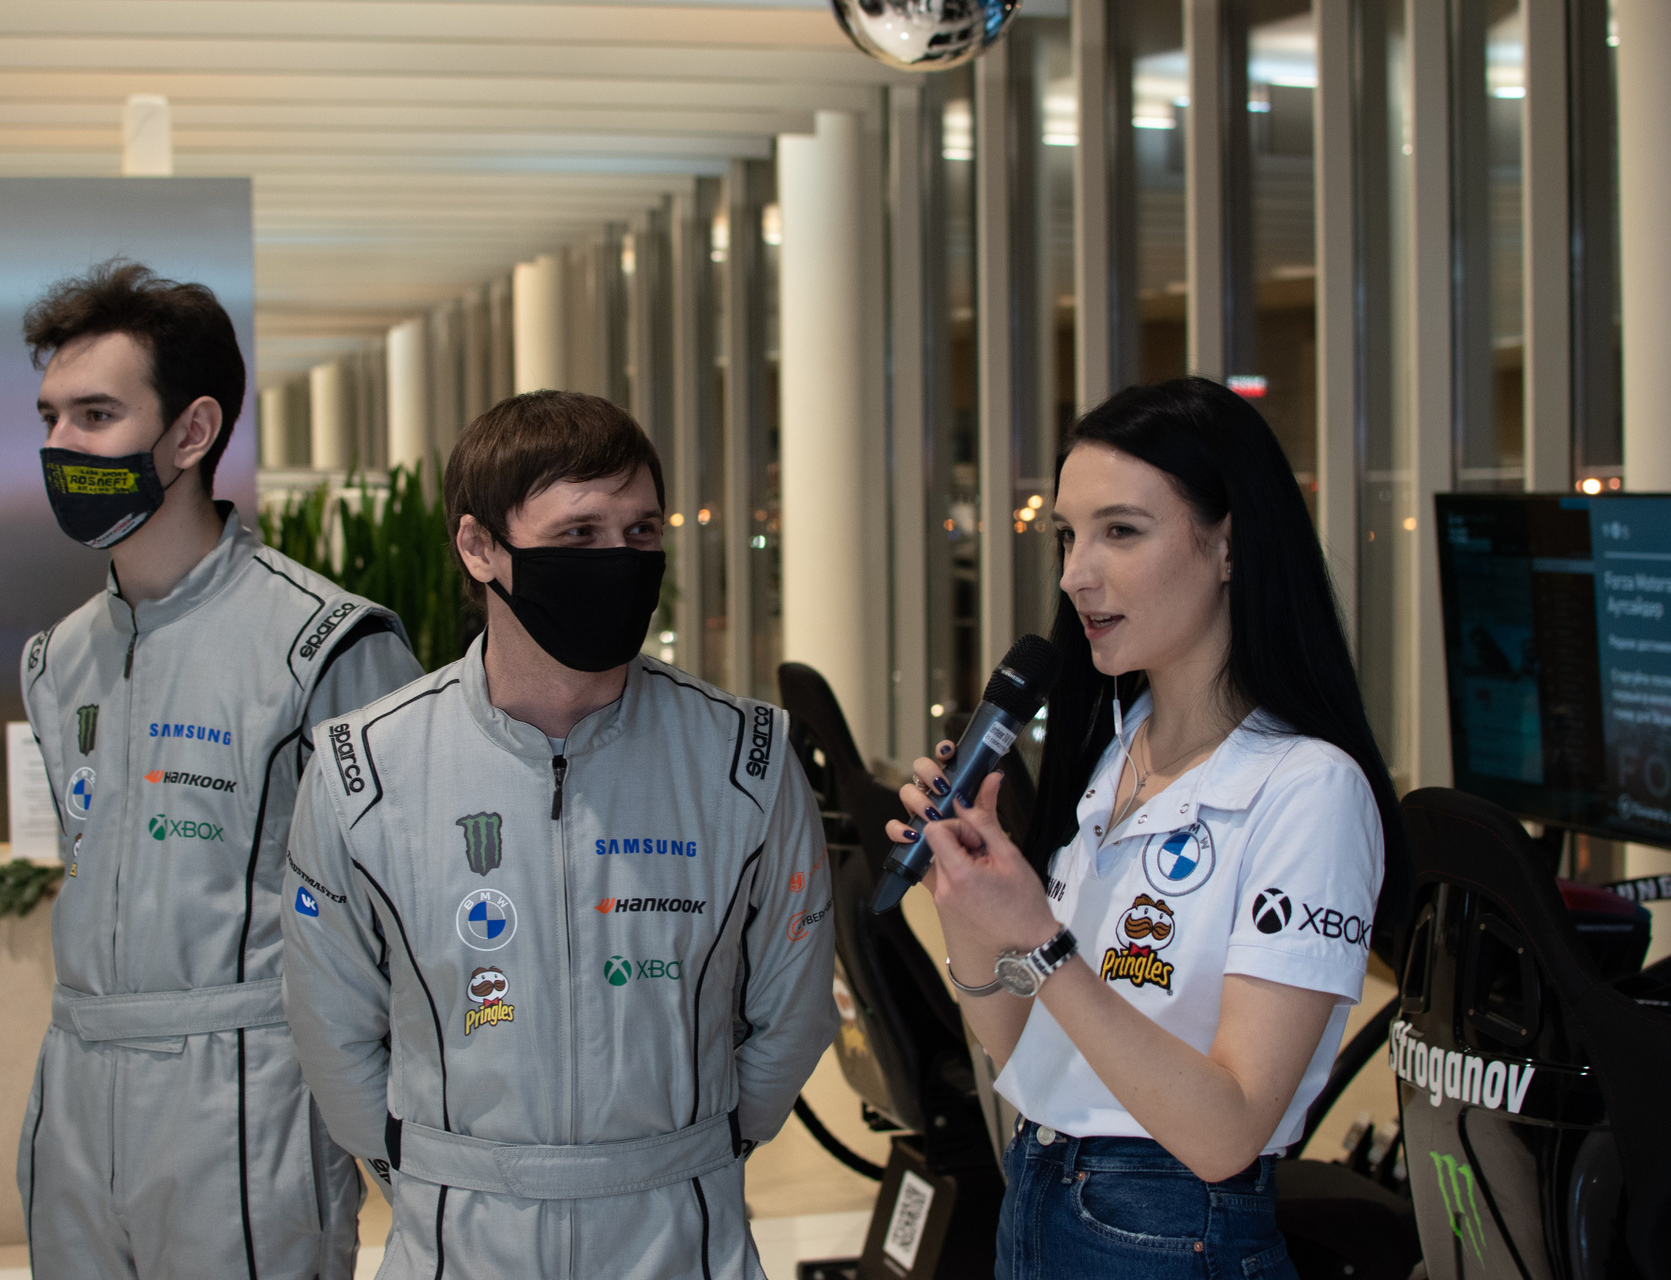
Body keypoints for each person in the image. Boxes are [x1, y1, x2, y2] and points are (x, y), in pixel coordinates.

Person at [282, 390, 839, 1279]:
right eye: (580, 534)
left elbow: (794, 1012)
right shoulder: (366, 767)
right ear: (479, 547)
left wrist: (696, 1155)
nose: (618, 559)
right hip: (455, 1241)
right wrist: (436, 1170)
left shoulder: (747, 758)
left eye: (641, 532)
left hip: (680, 1233)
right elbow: (331, 1023)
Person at [891, 378, 1402, 1279]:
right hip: (1040, 1188)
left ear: (1230, 545)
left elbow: (1226, 1134)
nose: (1075, 574)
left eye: (1121, 532)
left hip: (1170, 1231)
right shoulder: (1116, 752)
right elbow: (1023, 1046)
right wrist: (965, 902)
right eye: (1067, 536)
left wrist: (1041, 941)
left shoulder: (1309, 790)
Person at [15, 260, 424, 1280]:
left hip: (244, 1094)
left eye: (97, 414)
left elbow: (407, 920)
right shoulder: (56, 659)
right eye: (51, 416)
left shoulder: (324, 643)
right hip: (76, 1090)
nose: (61, 445)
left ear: (192, 432)